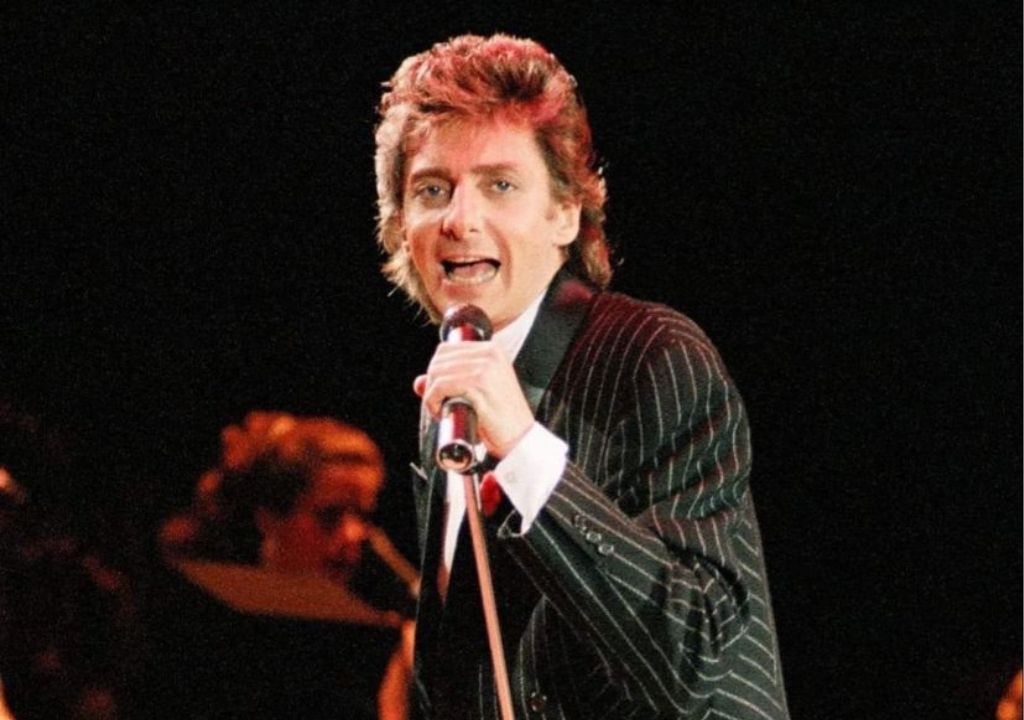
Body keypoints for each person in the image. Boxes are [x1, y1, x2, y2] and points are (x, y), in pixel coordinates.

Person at [374, 33, 789, 718]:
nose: (459, 219)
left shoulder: (654, 355)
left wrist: (525, 452)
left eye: (500, 185)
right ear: (400, 226)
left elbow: (691, 660)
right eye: (432, 189)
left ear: (566, 213)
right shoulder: (448, 402)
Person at [145, 411, 414, 720]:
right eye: (329, 516)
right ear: (269, 517)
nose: (353, 535)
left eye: (363, 516)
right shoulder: (205, 632)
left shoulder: (376, 634)